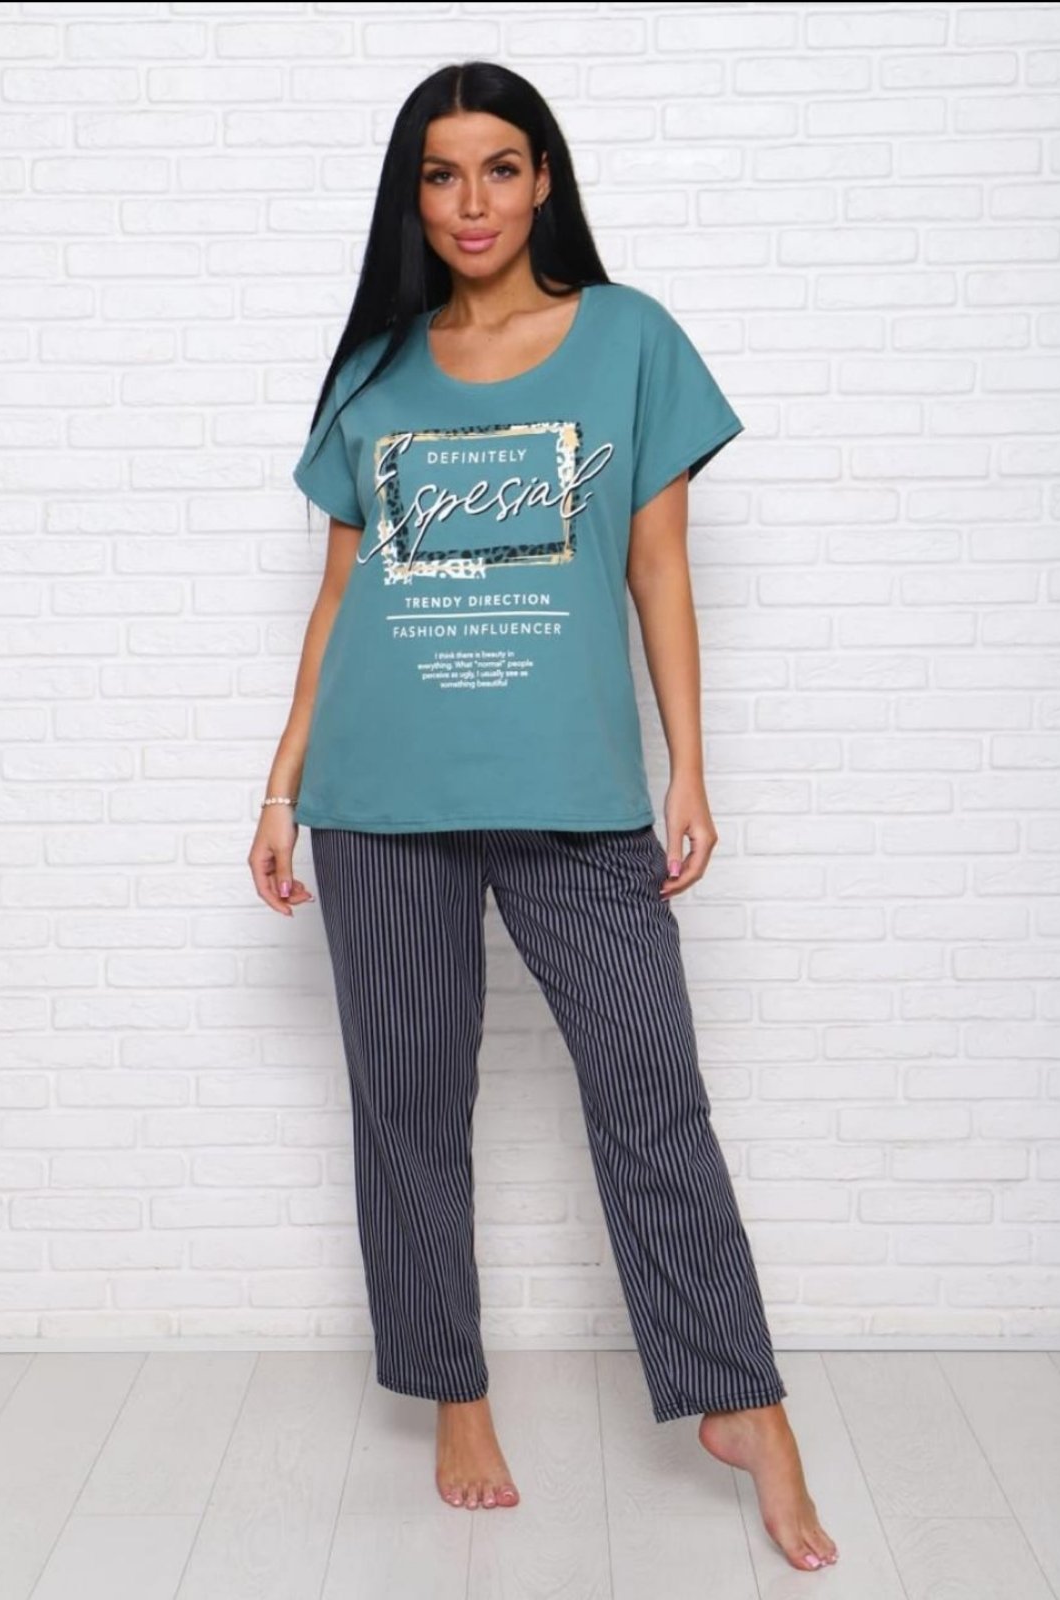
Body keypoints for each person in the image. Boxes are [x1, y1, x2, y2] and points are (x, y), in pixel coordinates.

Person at [248, 60, 839, 1575]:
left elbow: (657, 566)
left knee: (651, 1092)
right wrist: (282, 782)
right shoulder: (375, 370)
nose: (472, 203)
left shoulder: (628, 339)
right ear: (413, 196)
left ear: (544, 180)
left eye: (500, 169)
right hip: (380, 794)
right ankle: (456, 1394)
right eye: (441, 175)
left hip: (573, 793)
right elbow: (340, 595)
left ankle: (740, 1400)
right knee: (407, 1107)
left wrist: (688, 769)